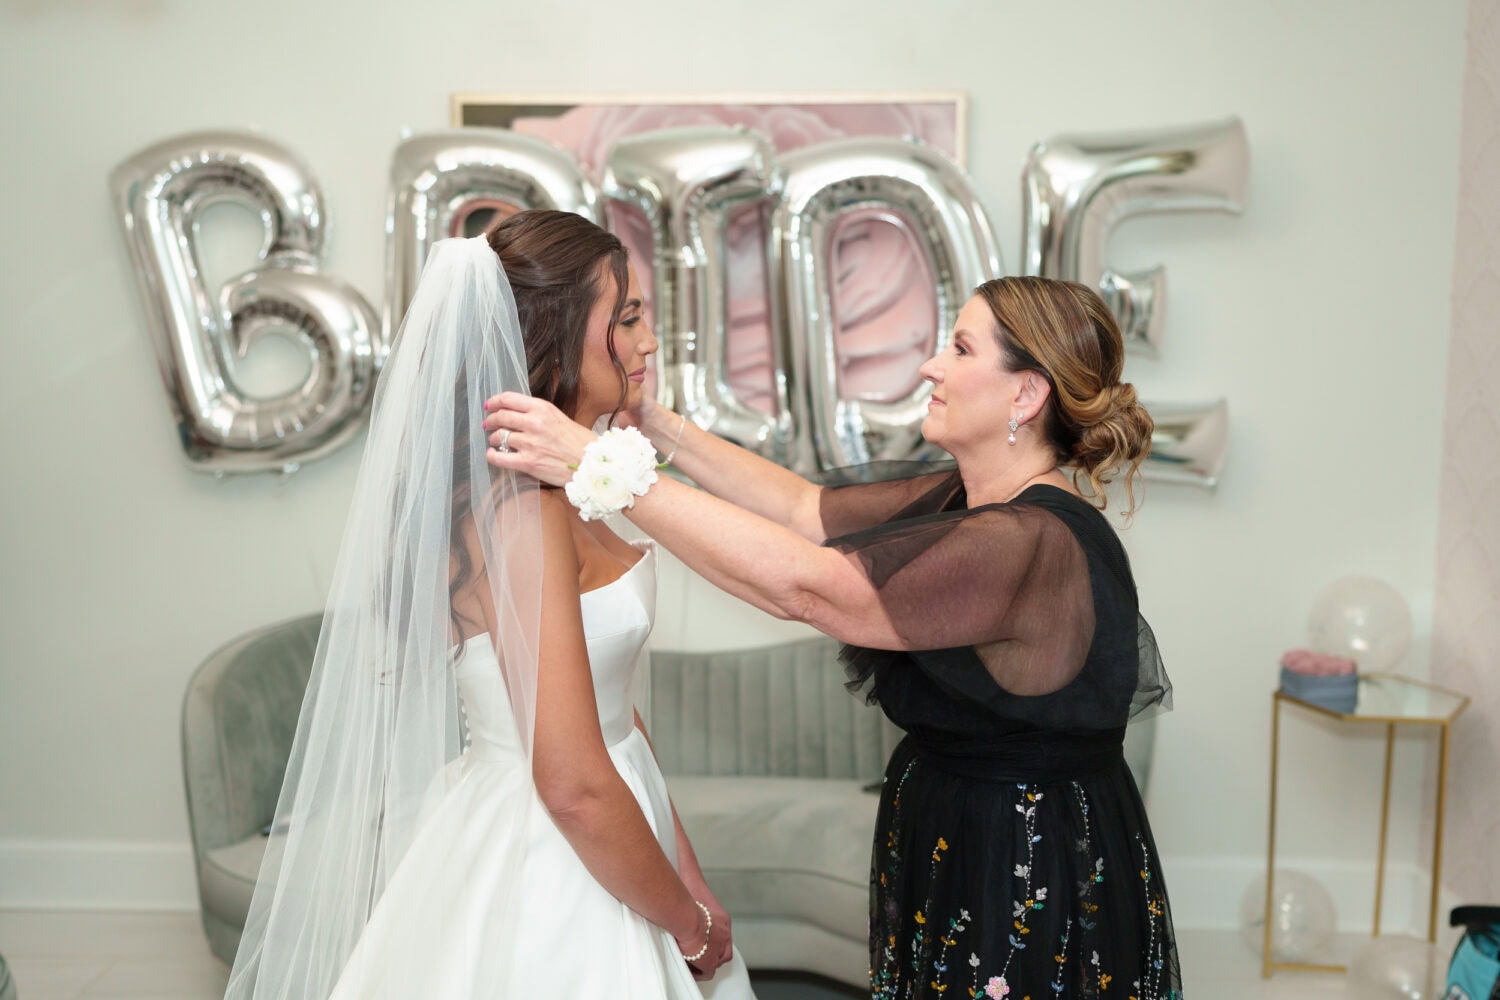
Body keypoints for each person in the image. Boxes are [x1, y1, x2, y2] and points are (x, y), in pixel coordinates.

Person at [484, 275, 1183, 999]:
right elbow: (802, 507)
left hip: (1021, 853)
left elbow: (811, 587)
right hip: (956, 824)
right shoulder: (966, 497)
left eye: (961, 349)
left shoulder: (1025, 540)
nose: (930, 367)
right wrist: (653, 424)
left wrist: (597, 466)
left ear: (1026, 395)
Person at [225, 209, 755, 999]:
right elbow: (572, 782)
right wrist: (688, 924)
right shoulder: (522, 511)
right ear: (555, 332)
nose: (648, 343)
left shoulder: (561, 488)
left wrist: (688, 874)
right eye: (631, 317)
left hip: (618, 822)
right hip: (553, 859)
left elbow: (614, 715)